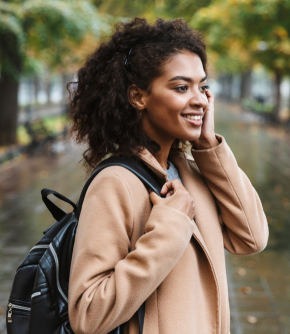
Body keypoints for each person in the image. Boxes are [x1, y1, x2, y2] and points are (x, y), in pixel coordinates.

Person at [67, 17, 269, 334]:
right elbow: (88, 313)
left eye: (202, 87)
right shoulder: (115, 183)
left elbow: (252, 238)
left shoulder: (191, 171)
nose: (200, 99)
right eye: (180, 87)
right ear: (138, 97)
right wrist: (169, 230)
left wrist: (208, 147)